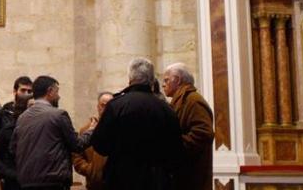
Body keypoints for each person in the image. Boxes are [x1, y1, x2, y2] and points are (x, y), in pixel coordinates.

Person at [92, 58, 183, 190]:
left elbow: (100, 145)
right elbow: (176, 150)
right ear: (152, 80)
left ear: (130, 79)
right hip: (156, 181)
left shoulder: (116, 105)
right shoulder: (166, 108)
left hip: (121, 179)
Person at [12, 75, 92, 190]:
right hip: (53, 182)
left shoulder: (22, 118)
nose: (58, 96)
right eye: (57, 92)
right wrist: (91, 131)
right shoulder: (59, 115)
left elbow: (13, 148)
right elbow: (77, 145)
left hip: (26, 183)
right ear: (49, 91)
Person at [162, 63, 214, 190]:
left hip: (192, 176)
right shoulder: (181, 100)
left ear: (178, 80)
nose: (163, 84)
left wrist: (174, 147)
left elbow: (203, 133)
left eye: (166, 80)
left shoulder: (193, 100)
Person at [0, 76, 32, 190]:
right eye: (23, 90)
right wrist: (7, 173)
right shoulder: (1, 114)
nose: (26, 94)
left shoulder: (33, 114)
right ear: (15, 91)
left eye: (29, 91)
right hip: (10, 175)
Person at [73, 92, 113, 190]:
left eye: (110, 106)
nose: (106, 108)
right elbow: (77, 157)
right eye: (103, 105)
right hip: (94, 185)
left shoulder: (119, 129)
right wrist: (90, 170)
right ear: (98, 106)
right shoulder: (86, 130)